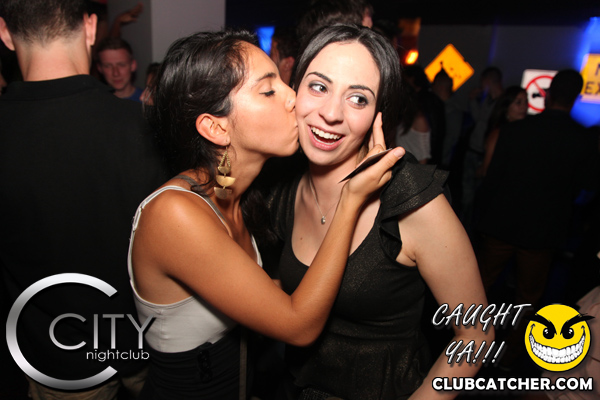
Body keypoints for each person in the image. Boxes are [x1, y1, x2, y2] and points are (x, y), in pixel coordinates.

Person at [128, 30, 404, 399]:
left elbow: (255, 296)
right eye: (269, 91)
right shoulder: (174, 214)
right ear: (216, 127)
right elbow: (298, 326)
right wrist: (351, 199)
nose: (293, 97)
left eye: (284, 82)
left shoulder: (235, 195)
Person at [268, 24, 490, 400]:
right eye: (318, 87)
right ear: (295, 89)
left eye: (358, 98)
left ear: (378, 115)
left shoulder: (409, 199)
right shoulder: (281, 186)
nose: (331, 113)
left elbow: (477, 335)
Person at [0, 0, 168, 398]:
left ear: (5, 33)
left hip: (54, 356)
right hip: (145, 344)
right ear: (90, 28)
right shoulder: (146, 130)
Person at [476, 69, 600, 369]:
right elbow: (588, 186)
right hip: (542, 233)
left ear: (547, 94)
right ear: (575, 98)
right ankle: (509, 356)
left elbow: (491, 180)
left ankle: (467, 342)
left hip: (501, 225)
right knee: (528, 298)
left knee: (479, 286)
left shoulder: (517, 130)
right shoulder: (583, 139)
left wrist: (479, 219)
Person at [477, 85, 528, 177]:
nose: (524, 107)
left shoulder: (523, 132)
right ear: (506, 107)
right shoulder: (498, 134)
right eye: (518, 102)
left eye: (526, 102)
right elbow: (486, 170)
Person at [96, 37, 143, 101]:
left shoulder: (148, 102)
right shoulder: (94, 102)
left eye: (121, 65)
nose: (116, 73)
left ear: (133, 65)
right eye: (108, 66)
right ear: (99, 68)